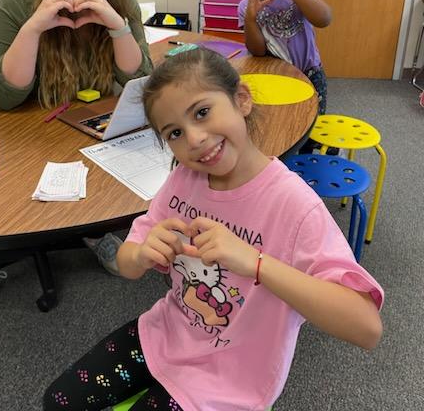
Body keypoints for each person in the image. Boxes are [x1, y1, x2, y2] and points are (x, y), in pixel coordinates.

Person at [43, 48, 383, 411]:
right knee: (58, 401)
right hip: (166, 335)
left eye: (203, 113)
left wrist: (256, 263)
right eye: (174, 132)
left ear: (242, 100)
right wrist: (141, 254)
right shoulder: (184, 179)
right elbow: (127, 262)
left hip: (230, 377)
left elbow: (366, 327)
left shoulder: (295, 206)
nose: (193, 139)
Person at [0, 0, 153, 321]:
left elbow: (141, 78)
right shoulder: (17, 1)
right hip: (15, 121)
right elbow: (7, 95)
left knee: (105, 182)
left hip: (77, 120)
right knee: (2, 201)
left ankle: (92, 231)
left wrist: (116, 24)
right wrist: (33, 27)